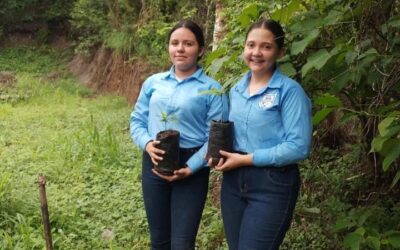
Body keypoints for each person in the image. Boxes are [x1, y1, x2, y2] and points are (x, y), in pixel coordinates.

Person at [209, 19, 312, 249]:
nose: (256, 52)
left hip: (272, 184)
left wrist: (246, 159)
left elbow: (299, 146)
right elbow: (231, 135)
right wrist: (216, 155)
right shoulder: (236, 90)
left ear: (279, 52)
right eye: (251, 45)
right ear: (244, 48)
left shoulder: (289, 91)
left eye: (266, 47)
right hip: (233, 184)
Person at [130, 19, 228, 250]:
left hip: (192, 168)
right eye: (175, 43)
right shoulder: (153, 83)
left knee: (182, 244)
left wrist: (191, 167)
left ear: (201, 49)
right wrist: (147, 144)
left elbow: (215, 139)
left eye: (188, 43)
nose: (180, 49)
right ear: (168, 47)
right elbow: (137, 121)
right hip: (154, 162)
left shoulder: (213, 89)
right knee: (159, 240)